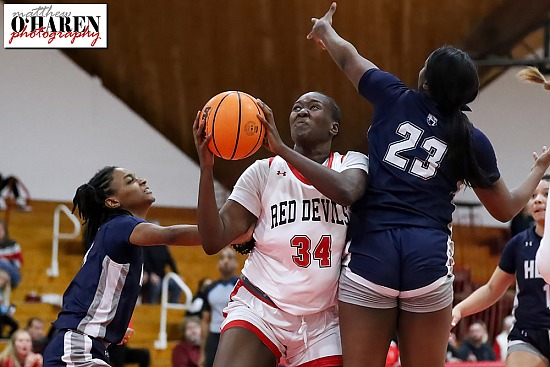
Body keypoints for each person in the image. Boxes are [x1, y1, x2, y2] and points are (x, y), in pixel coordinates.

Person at [306, 3, 550, 367]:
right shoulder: (471, 139)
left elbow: (348, 58)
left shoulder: (393, 96)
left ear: (425, 80)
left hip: (374, 249)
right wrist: (537, 170)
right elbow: (504, 210)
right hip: (428, 256)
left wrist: (325, 31)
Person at [193, 91, 369, 367]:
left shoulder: (351, 163)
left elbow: (348, 191)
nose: (302, 111)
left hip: (322, 318)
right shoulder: (262, 172)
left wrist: (283, 149)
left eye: (313, 107)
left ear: (334, 126)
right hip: (261, 306)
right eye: (296, 107)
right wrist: (206, 168)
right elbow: (212, 240)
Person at [42, 166, 201, 367]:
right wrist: (223, 232)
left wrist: (110, 326)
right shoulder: (120, 224)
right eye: (130, 180)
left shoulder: (115, 234)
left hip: (84, 347)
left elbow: (92, 287)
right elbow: (172, 235)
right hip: (77, 348)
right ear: (113, 201)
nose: (142, 180)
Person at [452, 175, 550, 367]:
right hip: (528, 335)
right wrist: (459, 309)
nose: (537, 199)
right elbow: (491, 290)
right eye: (533, 195)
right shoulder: (519, 244)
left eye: (546, 194)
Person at [200, 248, 239, 367]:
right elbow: (205, 320)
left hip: (236, 336)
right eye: (222, 258)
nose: (225, 261)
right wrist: (202, 352)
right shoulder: (210, 288)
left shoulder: (244, 287)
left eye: (229, 257)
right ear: (218, 264)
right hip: (214, 336)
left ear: (236, 263)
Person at [0, 220, 23, 288]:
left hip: (12, 272)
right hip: (3, 275)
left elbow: (19, 262)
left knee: (1, 262)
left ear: (4, 231)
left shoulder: (13, 244)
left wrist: (6, 262)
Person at [0, 270, 17, 339]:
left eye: (5, 280)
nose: (2, 281)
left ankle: (7, 337)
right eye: (1, 278)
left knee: (15, 325)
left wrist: (8, 310)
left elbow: (3, 307)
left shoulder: (3, 292)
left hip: (2, 313)